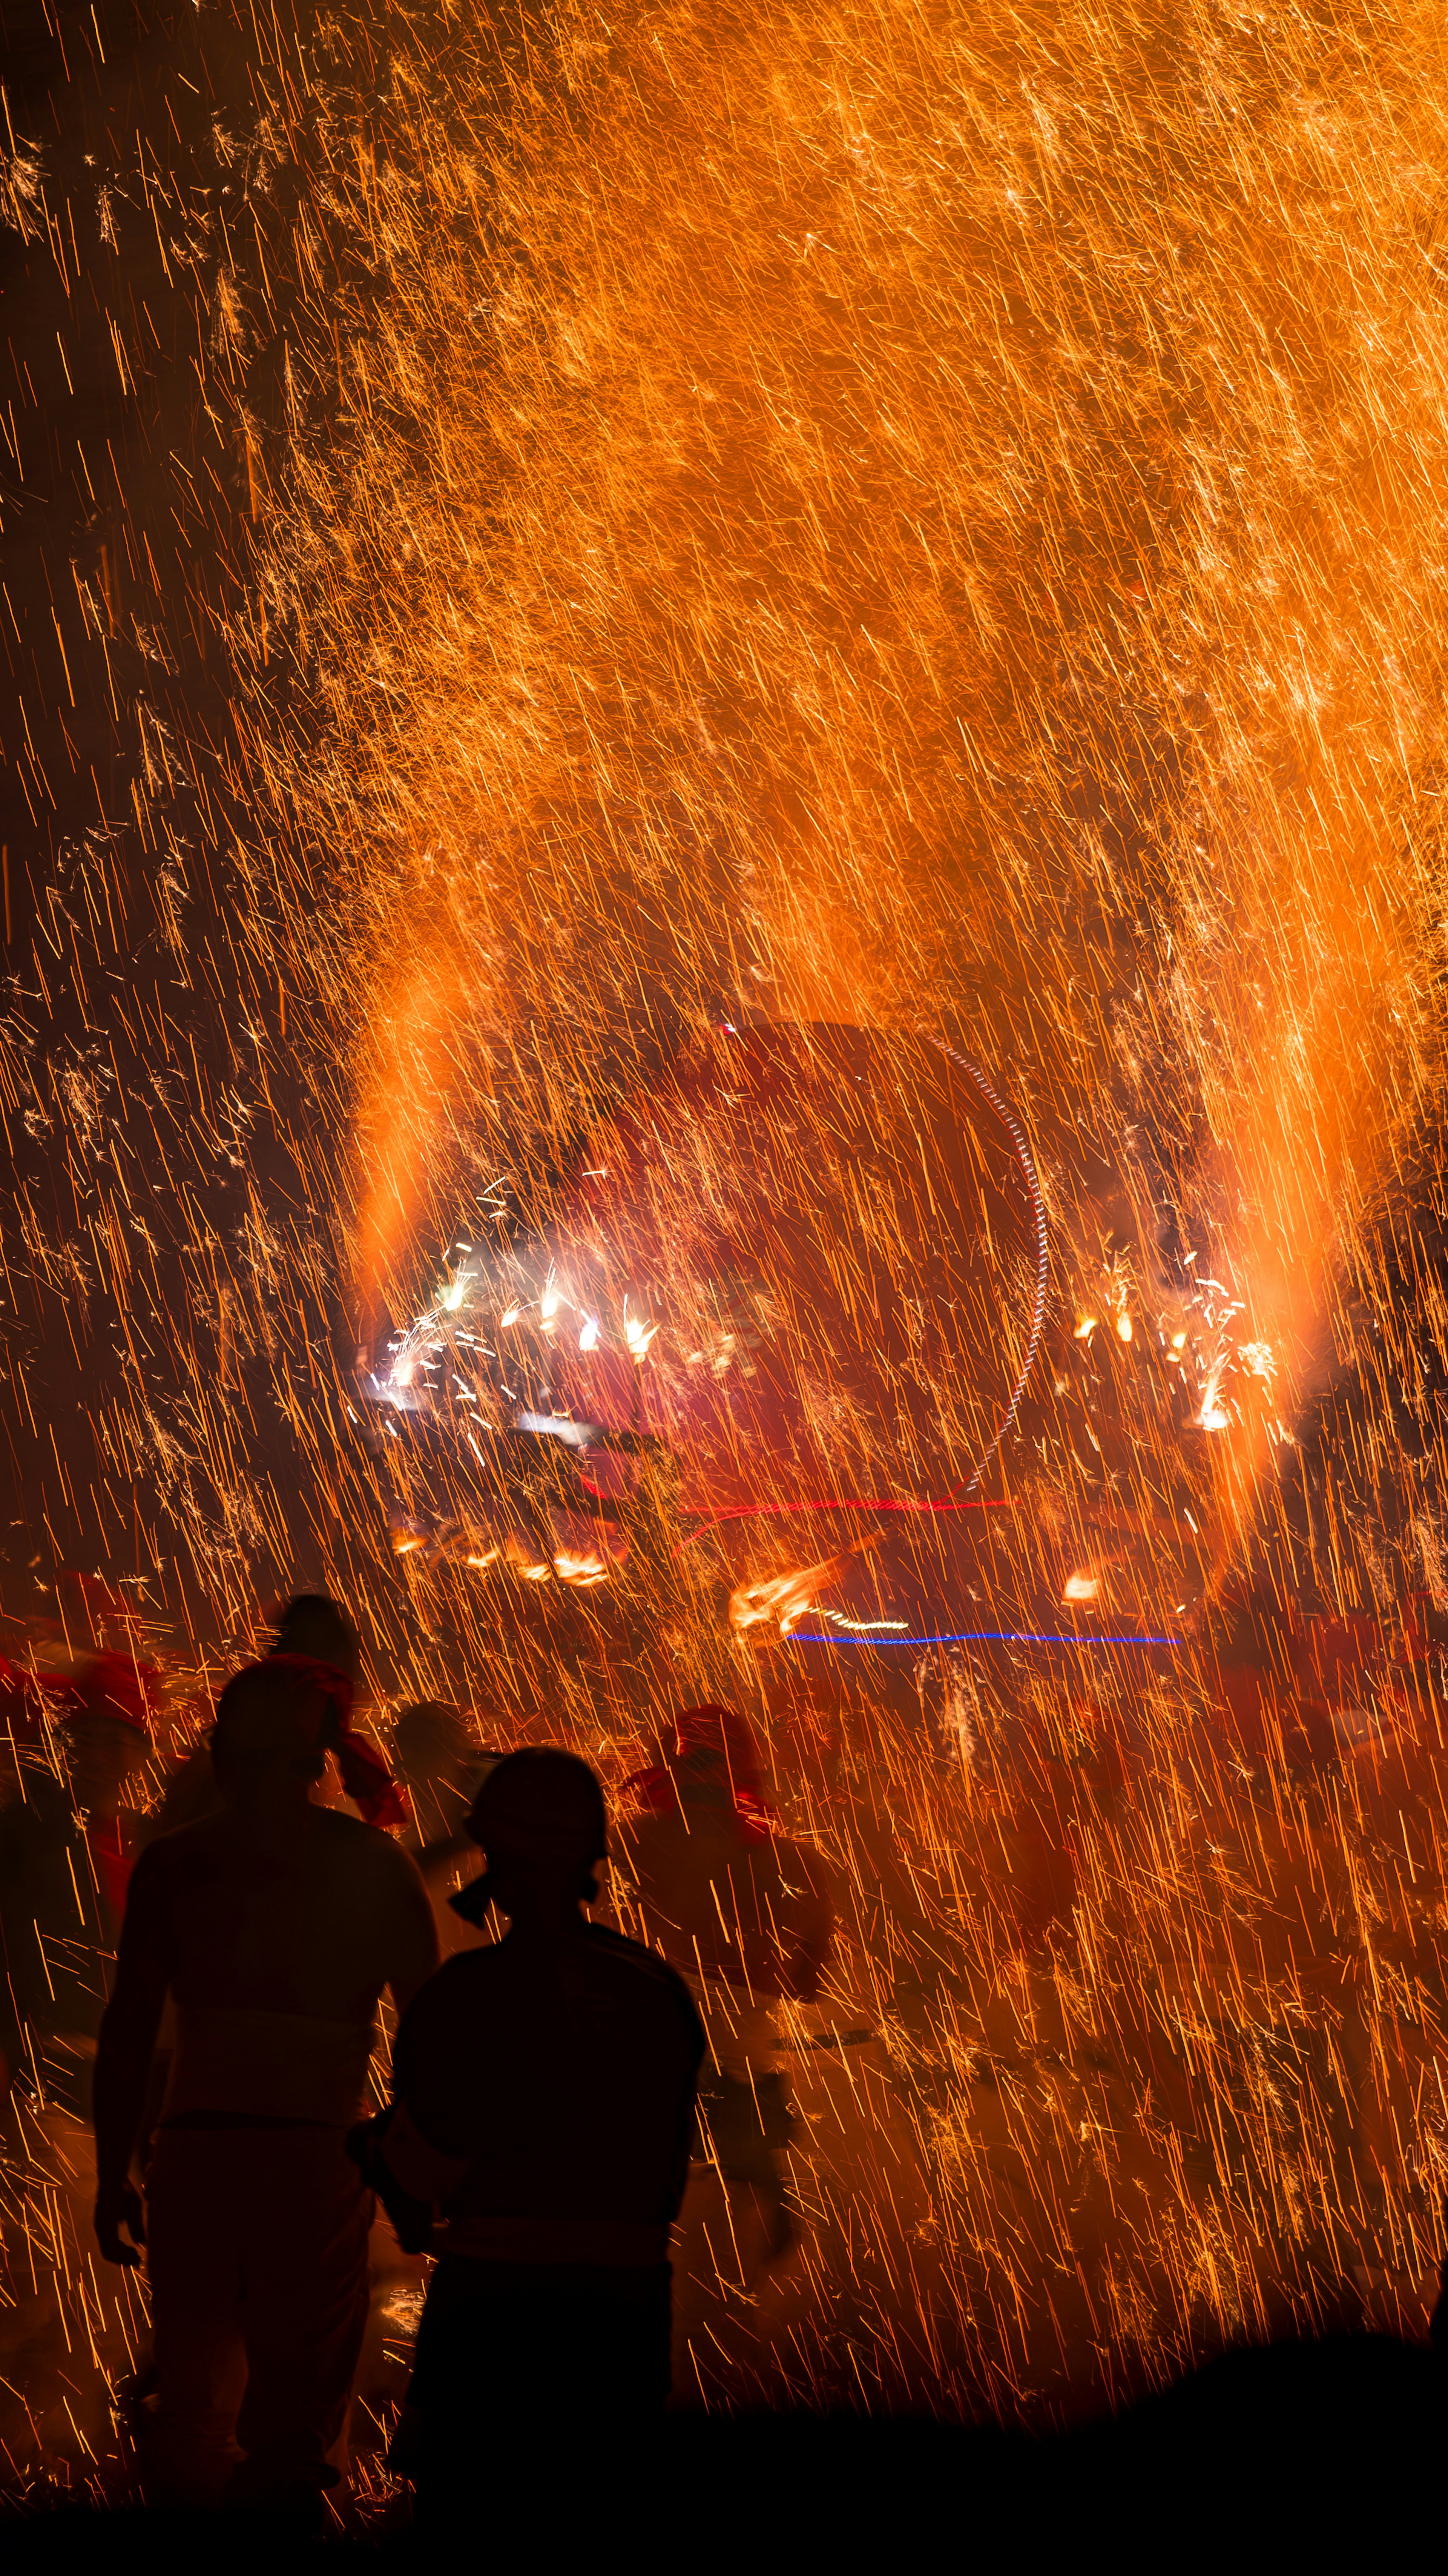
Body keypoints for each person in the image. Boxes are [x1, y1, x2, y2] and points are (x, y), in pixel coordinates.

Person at [91, 1655, 438, 2513]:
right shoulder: (372, 1866)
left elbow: (130, 2029)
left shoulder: (177, 1864)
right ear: (318, 1760)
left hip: (196, 2156)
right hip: (315, 2160)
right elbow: (431, 2034)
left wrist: (113, 2174)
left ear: (218, 1756)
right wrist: (417, 2171)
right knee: (296, 2416)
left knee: (194, 2400)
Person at [349, 1747, 703, 2524]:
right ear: (591, 1858)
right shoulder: (657, 1989)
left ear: (496, 1860)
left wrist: (373, 2151)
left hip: (494, 2316)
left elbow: (424, 2172)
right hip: (623, 2315)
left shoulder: (468, 1996)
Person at [615, 1703, 836, 2261]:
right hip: (746, 2094)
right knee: (745, 2261)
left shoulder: (625, 1846)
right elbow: (809, 1986)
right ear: (750, 1767)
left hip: (638, 2087)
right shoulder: (801, 1865)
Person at [0, 1652, 155, 2115]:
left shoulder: (147, 1844)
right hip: (41, 2091)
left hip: (118, 2093)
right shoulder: (25, 1833)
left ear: (140, 1753)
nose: (98, 1756)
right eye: (86, 1737)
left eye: (116, 1741)